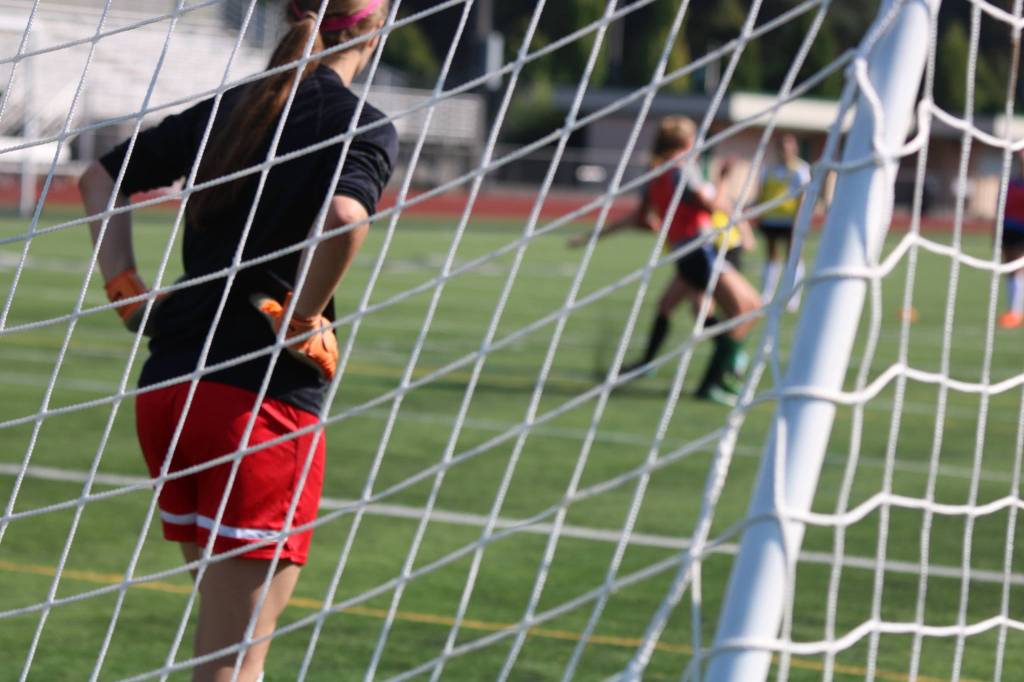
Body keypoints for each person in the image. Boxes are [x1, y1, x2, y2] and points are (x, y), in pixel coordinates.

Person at [78, 1, 397, 679]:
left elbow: (98, 178)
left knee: (231, 639)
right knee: (233, 661)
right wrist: (306, 318)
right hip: (256, 406)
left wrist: (126, 291)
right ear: (376, 27)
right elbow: (345, 216)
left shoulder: (237, 108)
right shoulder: (358, 123)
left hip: (169, 388)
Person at [569, 116, 761, 404]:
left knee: (677, 307)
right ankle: (720, 377)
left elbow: (643, 219)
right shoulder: (683, 168)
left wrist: (597, 236)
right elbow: (709, 207)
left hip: (686, 251)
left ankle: (668, 366)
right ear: (686, 142)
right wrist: (722, 179)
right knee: (748, 309)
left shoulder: (655, 173)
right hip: (700, 249)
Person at [756, 133, 811, 312]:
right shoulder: (769, 168)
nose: (785, 150)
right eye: (782, 146)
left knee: (793, 257)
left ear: (794, 148)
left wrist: (799, 219)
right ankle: (767, 294)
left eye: (789, 146)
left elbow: (803, 196)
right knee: (771, 256)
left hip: (791, 220)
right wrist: (759, 212)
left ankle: (792, 297)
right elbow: (762, 192)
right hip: (771, 219)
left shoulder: (800, 169)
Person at [1000, 150, 1024, 329]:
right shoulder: (1010, 183)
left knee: (1018, 270)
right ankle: (1013, 310)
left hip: (1021, 230)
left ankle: (1015, 312)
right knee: (1010, 270)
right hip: (1008, 229)